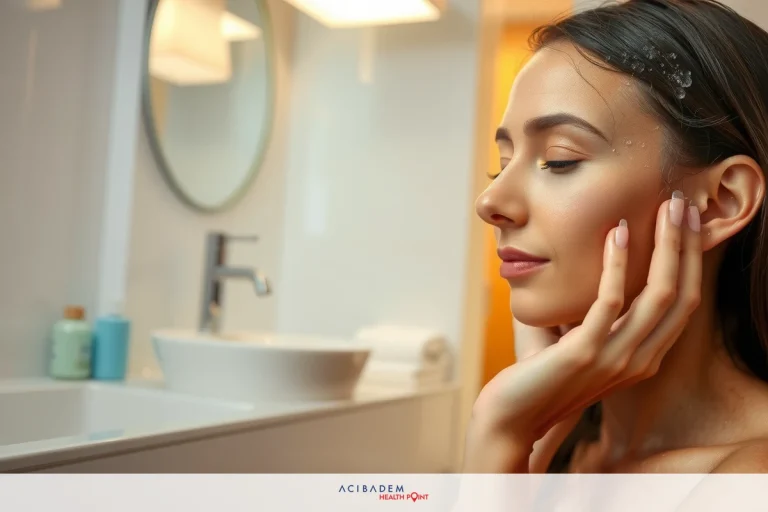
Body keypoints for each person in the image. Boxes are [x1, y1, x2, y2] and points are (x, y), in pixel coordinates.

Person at [464, 0, 768, 473]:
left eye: (559, 160)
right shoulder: (551, 448)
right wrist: (527, 445)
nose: (490, 202)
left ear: (719, 202)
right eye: (503, 165)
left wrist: (497, 432)